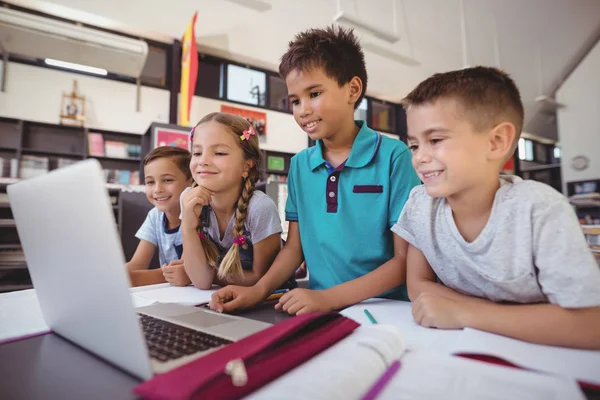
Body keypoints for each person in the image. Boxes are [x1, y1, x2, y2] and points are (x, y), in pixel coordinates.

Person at [210, 26, 420, 315]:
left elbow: (404, 260)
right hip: (321, 309)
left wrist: (329, 298)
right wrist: (257, 291)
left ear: (353, 90)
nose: (303, 110)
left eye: (315, 93)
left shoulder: (394, 156)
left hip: (389, 310)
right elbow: (295, 246)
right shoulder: (300, 165)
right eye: (295, 100)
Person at [394, 66, 600, 349]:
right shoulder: (420, 204)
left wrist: (464, 313)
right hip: (459, 349)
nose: (419, 158)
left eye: (436, 140)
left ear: (496, 142)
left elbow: (590, 325)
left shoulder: (540, 209)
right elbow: (417, 286)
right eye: (414, 145)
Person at [180, 112, 283, 289]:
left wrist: (209, 276)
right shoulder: (189, 199)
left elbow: (261, 279)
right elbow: (201, 282)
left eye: (219, 153)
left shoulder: (260, 208)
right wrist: (188, 226)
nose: (203, 161)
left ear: (246, 165)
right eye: (197, 152)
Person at [126, 146, 192, 287]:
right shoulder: (155, 215)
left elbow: (185, 271)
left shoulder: (196, 214)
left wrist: (129, 279)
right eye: (150, 182)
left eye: (167, 180)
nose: (157, 189)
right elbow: (137, 264)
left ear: (191, 181)